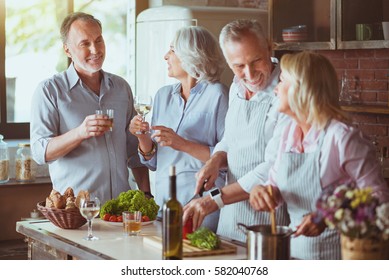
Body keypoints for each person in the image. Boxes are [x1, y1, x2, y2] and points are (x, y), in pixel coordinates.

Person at [249, 51, 389, 259]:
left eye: (281, 81)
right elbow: (275, 187)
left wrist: (326, 216)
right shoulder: (288, 133)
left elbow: (379, 199)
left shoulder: (342, 138)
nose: (276, 89)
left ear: (301, 88)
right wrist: (262, 192)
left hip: (340, 257)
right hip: (295, 256)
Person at [183, 19, 290, 242]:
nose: (249, 74)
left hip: (269, 219)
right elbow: (230, 139)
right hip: (230, 218)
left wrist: (214, 200)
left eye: (256, 61)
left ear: (269, 48)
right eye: (239, 66)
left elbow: (274, 167)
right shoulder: (236, 87)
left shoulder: (287, 91)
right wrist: (216, 159)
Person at [30, 12, 150, 204]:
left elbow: (133, 151)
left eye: (99, 40)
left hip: (120, 210)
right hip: (77, 212)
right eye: (85, 44)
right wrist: (80, 133)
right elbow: (39, 152)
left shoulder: (121, 87)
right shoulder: (50, 91)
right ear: (67, 50)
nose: (95, 50)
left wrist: (146, 195)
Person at [129, 26, 228, 231]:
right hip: (164, 207)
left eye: (172, 50)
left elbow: (227, 161)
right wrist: (142, 137)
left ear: (191, 54)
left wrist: (181, 144)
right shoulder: (162, 95)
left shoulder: (218, 95)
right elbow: (154, 161)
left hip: (202, 208)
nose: (166, 56)